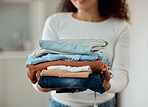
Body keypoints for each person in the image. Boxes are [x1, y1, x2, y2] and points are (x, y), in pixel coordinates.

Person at [33, 0, 130, 107]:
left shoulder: (120, 27)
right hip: (60, 104)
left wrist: (107, 85)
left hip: (102, 104)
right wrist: (42, 85)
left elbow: (121, 73)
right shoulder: (55, 22)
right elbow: (40, 67)